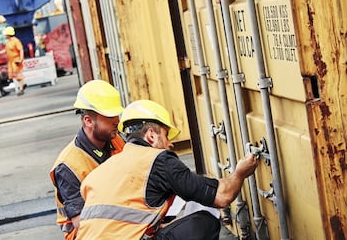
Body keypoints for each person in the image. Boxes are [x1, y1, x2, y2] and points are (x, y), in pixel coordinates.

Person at [77, 99, 258, 240]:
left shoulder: (105, 169)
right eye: (166, 135)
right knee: (203, 221)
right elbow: (222, 196)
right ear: (151, 136)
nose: (170, 144)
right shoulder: (158, 160)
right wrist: (240, 173)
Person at [50, 80, 126, 240]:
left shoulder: (116, 140)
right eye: (109, 116)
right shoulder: (68, 166)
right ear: (88, 121)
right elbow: (81, 223)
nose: (116, 120)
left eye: (116, 114)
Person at [3, 26, 25, 96]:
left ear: (8, 34)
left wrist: (20, 59)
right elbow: (6, 50)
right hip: (11, 62)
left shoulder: (16, 41)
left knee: (19, 76)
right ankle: (21, 86)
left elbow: (20, 50)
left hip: (16, 61)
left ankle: (21, 89)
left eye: (5, 34)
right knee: (15, 76)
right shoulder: (8, 42)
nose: (5, 35)